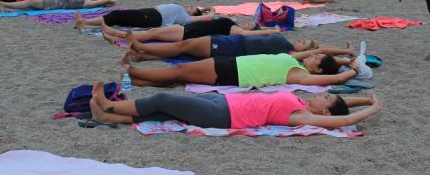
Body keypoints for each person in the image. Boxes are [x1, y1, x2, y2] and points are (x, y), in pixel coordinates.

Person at [89, 81, 382, 129]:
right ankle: (106, 116)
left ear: (324, 111)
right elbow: (341, 106)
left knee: (163, 100)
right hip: (225, 101)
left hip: (224, 115)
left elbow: (342, 120)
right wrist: (365, 98)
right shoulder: (305, 100)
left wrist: (372, 110)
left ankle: (107, 106)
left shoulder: (302, 115)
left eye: (326, 98)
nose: (322, 94)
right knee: (164, 113)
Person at [121, 50, 362, 88]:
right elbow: (328, 66)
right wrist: (343, 59)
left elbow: (332, 80)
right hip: (235, 64)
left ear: (318, 69)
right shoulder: (297, 61)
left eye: (317, 57)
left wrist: (353, 70)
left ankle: (135, 72)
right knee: (181, 75)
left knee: (180, 70)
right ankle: (141, 80)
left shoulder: (300, 74)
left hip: (234, 73)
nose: (313, 54)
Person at [123, 30, 355, 62]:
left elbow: (320, 52)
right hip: (233, 43)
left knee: (184, 46)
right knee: (186, 52)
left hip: (232, 49)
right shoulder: (285, 44)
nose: (300, 39)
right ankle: (141, 55)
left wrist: (346, 54)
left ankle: (142, 47)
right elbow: (320, 48)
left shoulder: (287, 52)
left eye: (304, 43)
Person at [98, 17, 281, 46]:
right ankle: (116, 36)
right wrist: (267, 28)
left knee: (152, 34)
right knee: (153, 32)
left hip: (187, 34)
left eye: (250, 24)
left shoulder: (236, 29)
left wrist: (271, 30)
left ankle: (116, 34)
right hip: (188, 30)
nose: (247, 23)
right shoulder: (233, 24)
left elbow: (248, 34)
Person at [74, 4, 212, 30]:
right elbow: (200, 10)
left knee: (116, 15)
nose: (190, 6)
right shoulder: (182, 11)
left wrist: (210, 14)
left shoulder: (185, 17)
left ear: (192, 13)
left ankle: (84, 22)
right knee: (118, 17)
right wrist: (204, 9)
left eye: (192, 8)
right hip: (149, 12)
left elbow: (198, 18)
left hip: (151, 17)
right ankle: (85, 22)